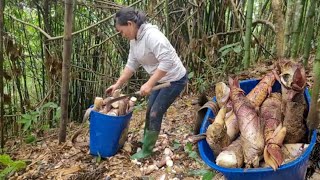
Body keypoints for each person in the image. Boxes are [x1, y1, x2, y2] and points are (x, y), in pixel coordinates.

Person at [106, 7, 188, 160]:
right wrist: (118, 84)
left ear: (129, 24)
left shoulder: (152, 36)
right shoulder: (134, 40)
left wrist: (149, 84)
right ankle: (146, 141)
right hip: (161, 79)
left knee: (155, 112)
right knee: (150, 108)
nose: (121, 35)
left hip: (175, 79)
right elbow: (131, 64)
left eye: (121, 31)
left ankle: (147, 151)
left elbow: (167, 61)